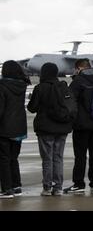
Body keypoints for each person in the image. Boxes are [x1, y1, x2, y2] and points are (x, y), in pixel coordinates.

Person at [28, 63, 74, 196]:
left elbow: (32, 108)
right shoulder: (63, 86)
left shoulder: (40, 88)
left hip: (45, 129)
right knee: (58, 157)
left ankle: (47, 187)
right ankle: (58, 187)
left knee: (47, 158)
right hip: (62, 127)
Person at [64, 59, 93, 194]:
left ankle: (79, 183)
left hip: (82, 125)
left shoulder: (78, 81)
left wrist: (71, 120)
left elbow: (70, 101)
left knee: (80, 155)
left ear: (79, 68)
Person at [0, 61, 30, 199]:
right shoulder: (21, 85)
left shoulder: (2, 86)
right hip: (19, 126)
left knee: (4, 159)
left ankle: (7, 189)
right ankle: (16, 186)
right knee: (13, 158)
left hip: (4, 127)